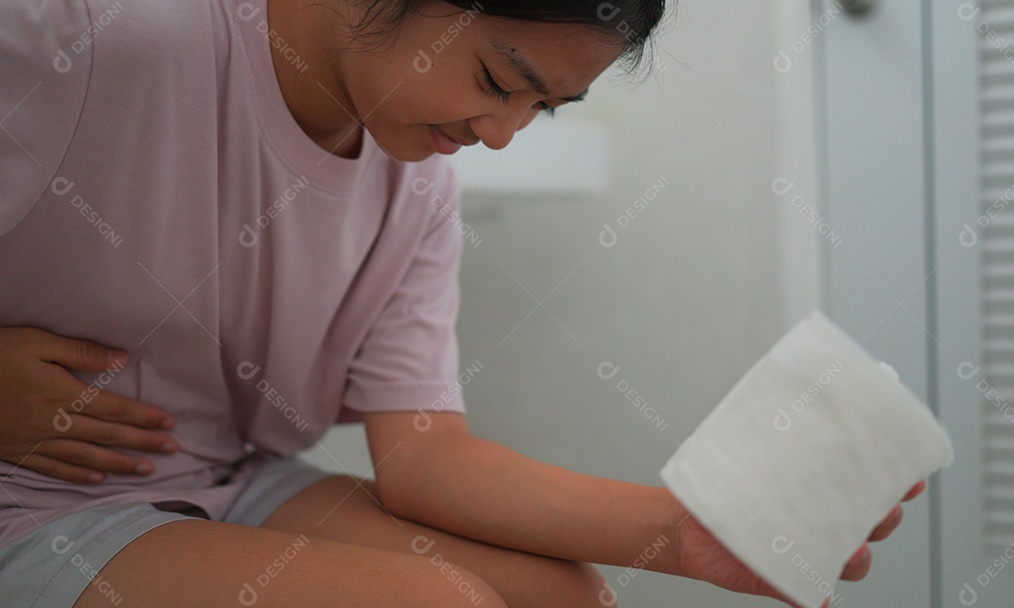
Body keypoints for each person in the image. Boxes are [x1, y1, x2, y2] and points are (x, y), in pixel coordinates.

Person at [0, 1, 923, 606]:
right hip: (32, 498)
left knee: (568, 598)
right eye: (494, 80)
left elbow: (426, 458)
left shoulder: (420, 183)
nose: (500, 136)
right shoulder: (96, 35)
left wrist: (689, 534)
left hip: (227, 478)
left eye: (543, 107)